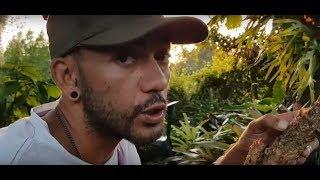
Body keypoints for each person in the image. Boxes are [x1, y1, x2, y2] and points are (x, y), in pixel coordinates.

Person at [0, 15, 318, 165]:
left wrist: (241, 151)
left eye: (161, 56)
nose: (159, 81)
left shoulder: (120, 147)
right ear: (68, 77)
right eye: (124, 57)